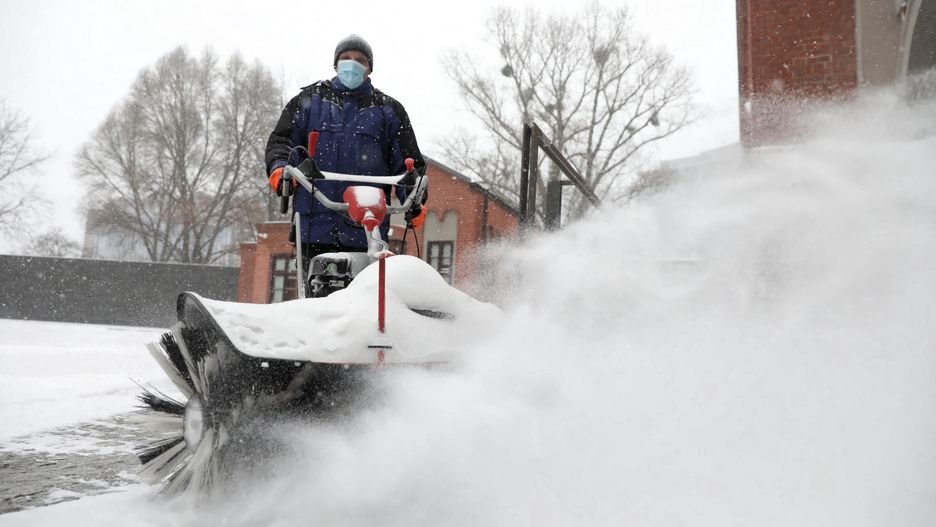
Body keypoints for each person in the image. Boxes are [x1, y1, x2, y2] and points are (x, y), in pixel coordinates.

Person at [265, 34, 426, 266]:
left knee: (365, 297)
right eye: (346, 58)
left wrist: (414, 200)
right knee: (314, 295)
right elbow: (282, 143)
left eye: (360, 60)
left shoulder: (389, 111)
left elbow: (408, 165)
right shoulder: (308, 102)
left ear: (369, 68)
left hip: (367, 231)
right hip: (313, 226)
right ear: (336, 64)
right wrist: (280, 170)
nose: (352, 64)